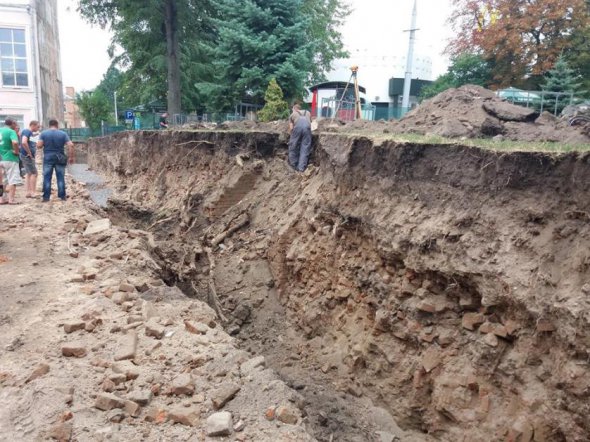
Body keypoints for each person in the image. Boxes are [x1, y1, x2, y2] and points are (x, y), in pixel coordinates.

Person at [36, 119, 74, 202]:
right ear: (57, 125)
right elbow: (70, 145)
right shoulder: (63, 134)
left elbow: (39, 146)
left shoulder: (44, 133)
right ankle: (62, 196)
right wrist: (71, 157)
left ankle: (46, 197)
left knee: (47, 177)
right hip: (60, 158)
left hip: (48, 157)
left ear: (49, 125)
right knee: (60, 177)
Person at [0, 118, 22, 204]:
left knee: (1, 181)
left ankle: (1, 199)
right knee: (13, 179)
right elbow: (15, 142)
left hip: (0, 158)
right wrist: (16, 151)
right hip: (10, 158)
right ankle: (11, 199)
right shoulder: (11, 132)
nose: (16, 126)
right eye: (15, 124)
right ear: (12, 124)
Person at [288, 103, 312, 172]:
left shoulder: (292, 114)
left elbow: (291, 128)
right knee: (305, 148)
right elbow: (310, 123)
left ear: (295, 109)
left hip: (297, 129)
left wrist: (291, 137)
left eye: (292, 109)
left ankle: (293, 166)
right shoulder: (308, 112)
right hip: (307, 129)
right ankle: (301, 169)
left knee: (293, 147)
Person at [20, 120, 40, 198]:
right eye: (37, 127)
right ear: (33, 125)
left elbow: (29, 141)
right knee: (34, 173)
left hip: (25, 155)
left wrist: (37, 135)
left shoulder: (29, 133)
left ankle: (28, 192)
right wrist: (30, 153)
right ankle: (33, 192)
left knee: (29, 174)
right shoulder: (27, 131)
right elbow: (24, 142)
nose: (38, 129)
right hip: (27, 156)